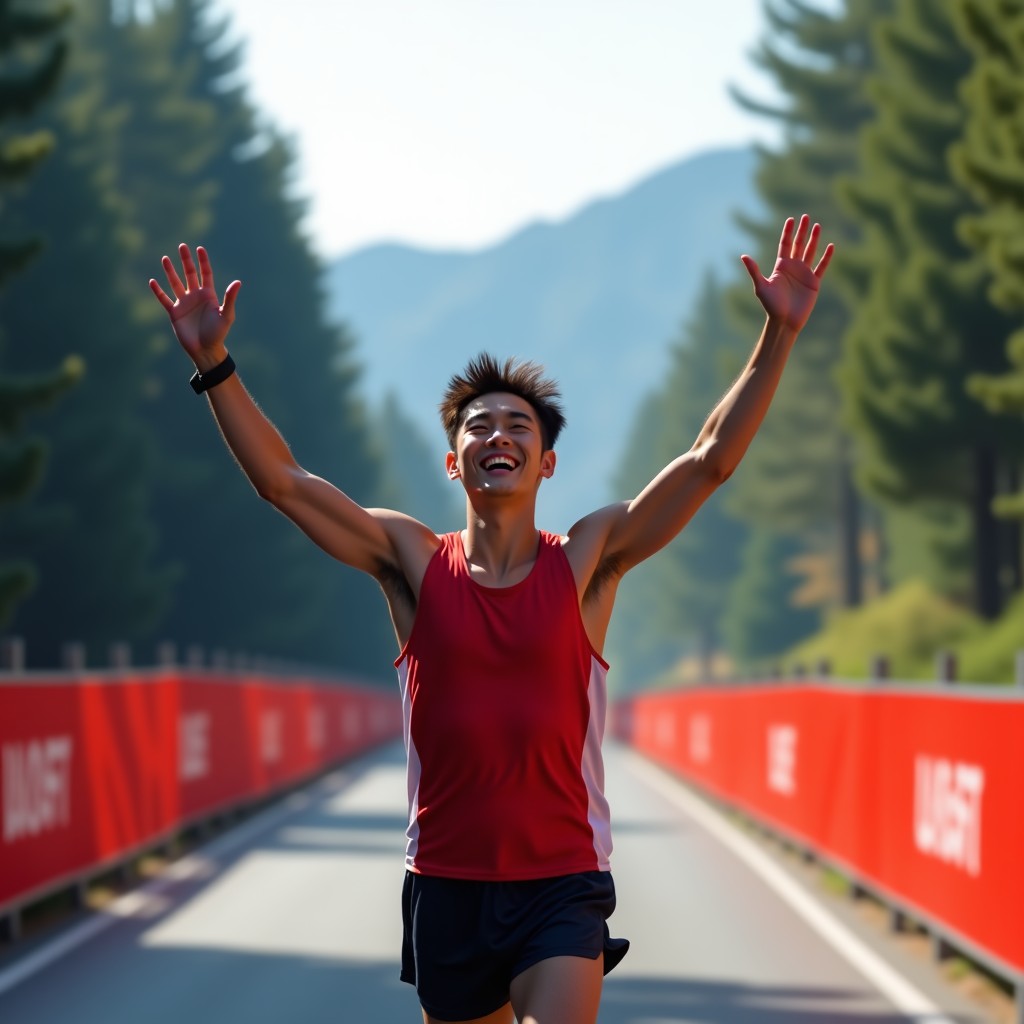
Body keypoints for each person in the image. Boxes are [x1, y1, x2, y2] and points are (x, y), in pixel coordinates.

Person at [150, 214, 833, 1024]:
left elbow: (708, 460)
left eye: (518, 425)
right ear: (455, 461)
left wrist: (777, 336)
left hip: (561, 885)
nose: (497, 434)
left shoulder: (588, 558)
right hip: (445, 884)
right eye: (479, 425)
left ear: (546, 462)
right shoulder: (409, 561)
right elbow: (288, 486)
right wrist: (214, 365)